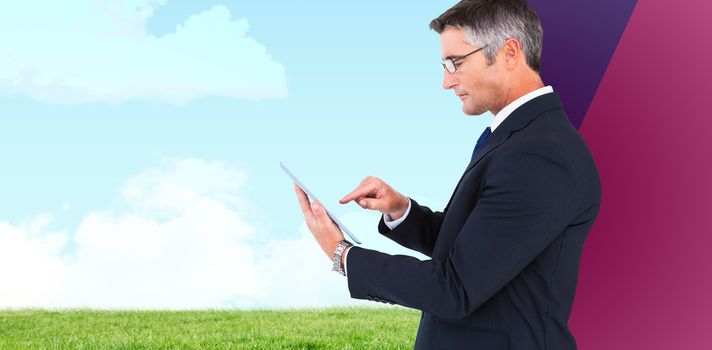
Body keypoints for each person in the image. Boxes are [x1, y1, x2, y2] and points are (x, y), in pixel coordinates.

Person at [293, 0, 601, 349]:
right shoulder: (516, 138)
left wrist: (343, 255)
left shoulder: (541, 155)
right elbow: (479, 247)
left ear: (509, 53)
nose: (445, 81)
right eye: (444, 64)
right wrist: (401, 210)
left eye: (456, 63)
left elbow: (455, 288)